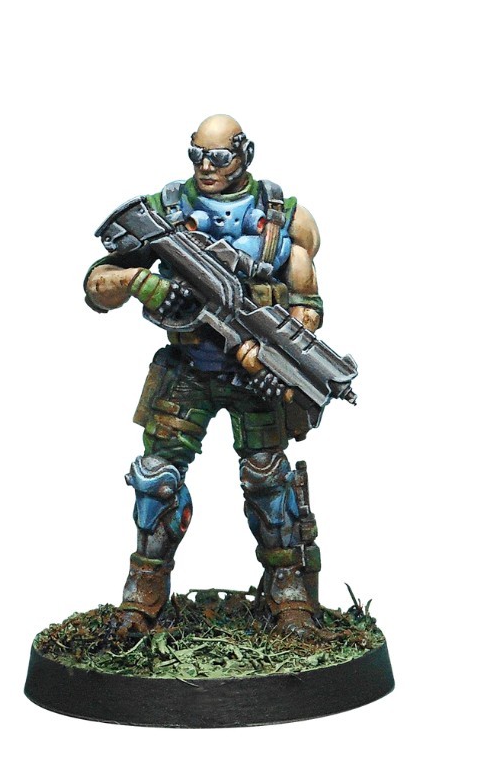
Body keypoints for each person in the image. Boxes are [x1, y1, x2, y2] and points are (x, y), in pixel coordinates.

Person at [84, 115, 326, 638]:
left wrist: (276, 356)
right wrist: (138, 281)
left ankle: (288, 594)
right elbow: (98, 283)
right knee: (155, 480)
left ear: (245, 153)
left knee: (268, 478)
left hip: (253, 375)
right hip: (188, 367)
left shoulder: (285, 219)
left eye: (218, 157)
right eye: (197, 155)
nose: (206, 167)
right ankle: (144, 593)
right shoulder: (167, 211)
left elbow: (307, 306)